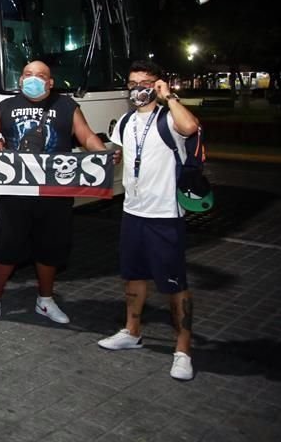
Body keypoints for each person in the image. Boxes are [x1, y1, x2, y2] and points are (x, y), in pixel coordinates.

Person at [0, 60, 106, 325]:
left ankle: (45, 300)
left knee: (50, 247)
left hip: (55, 191)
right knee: (8, 246)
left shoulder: (67, 106)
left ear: (51, 82)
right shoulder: (6, 106)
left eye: (40, 75)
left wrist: (103, 153)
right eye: (28, 74)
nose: (32, 79)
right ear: (20, 80)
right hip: (15, 190)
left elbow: (86, 136)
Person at [98, 60, 200, 381]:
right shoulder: (126, 121)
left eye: (145, 82)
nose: (137, 89)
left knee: (174, 284)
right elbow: (122, 153)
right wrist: (115, 155)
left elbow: (190, 128)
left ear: (158, 84)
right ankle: (132, 331)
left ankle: (183, 349)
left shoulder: (169, 117)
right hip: (133, 212)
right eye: (132, 83)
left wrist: (169, 97)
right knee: (133, 276)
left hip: (165, 215)